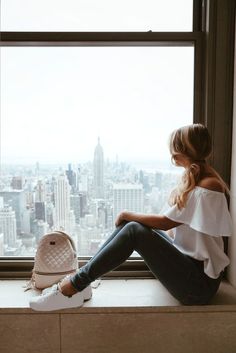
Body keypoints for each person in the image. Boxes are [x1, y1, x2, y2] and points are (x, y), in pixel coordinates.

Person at [30, 123, 233, 311]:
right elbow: (172, 228)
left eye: (174, 149)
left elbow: (165, 223)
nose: (172, 155)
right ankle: (80, 285)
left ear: (183, 151)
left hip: (198, 287)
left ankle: (72, 287)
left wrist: (127, 214)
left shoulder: (208, 186)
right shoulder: (199, 180)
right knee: (132, 225)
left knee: (133, 229)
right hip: (189, 271)